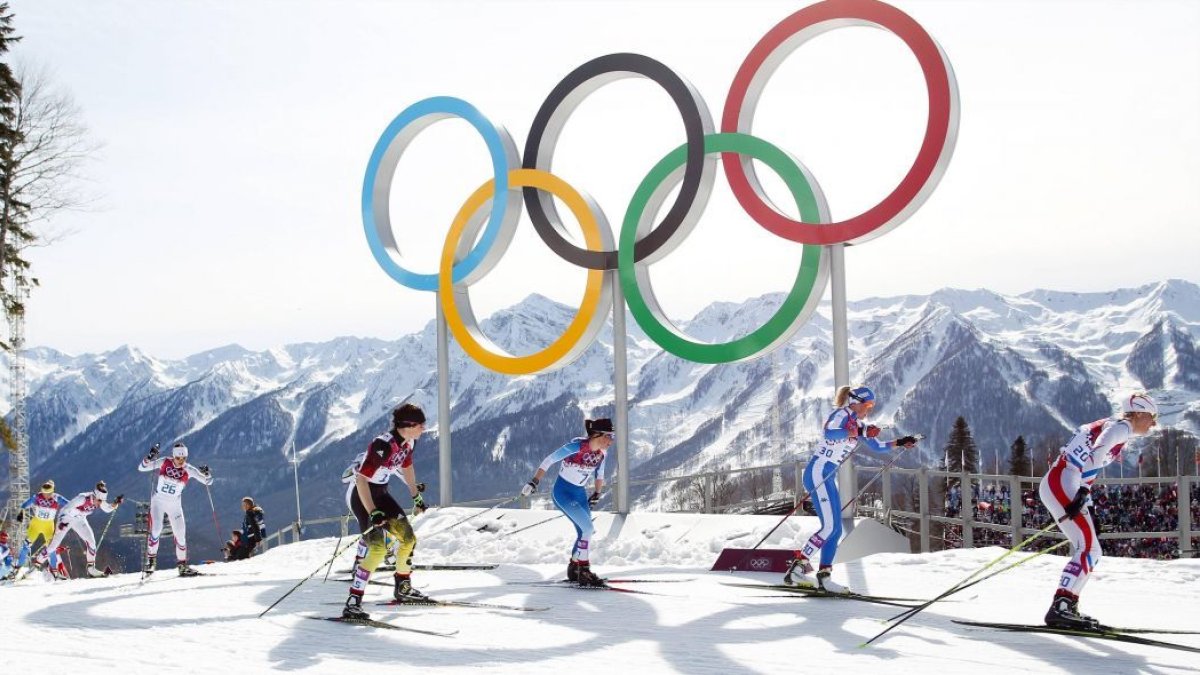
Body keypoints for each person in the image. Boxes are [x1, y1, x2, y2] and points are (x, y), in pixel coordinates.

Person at [1039, 392, 1158, 630]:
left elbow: (1088, 459)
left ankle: (1068, 604)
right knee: (1089, 548)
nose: (1153, 423)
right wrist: (1084, 491)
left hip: (1063, 481)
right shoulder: (1122, 427)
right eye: (1152, 417)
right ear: (1139, 413)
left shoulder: (1115, 425)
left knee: (1091, 549)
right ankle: (1061, 606)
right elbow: (1096, 454)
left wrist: (1089, 506)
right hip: (1064, 480)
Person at [783, 386, 919, 592]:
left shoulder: (858, 424)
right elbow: (829, 432)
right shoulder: (841, 415)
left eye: (872, 405)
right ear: (855, 402)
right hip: (818, 472)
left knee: (836, 530)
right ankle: (797, 569)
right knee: (829, 527)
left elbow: (877, 446)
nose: (870, 409)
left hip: (828, 476)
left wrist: (901, 442)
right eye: (868, 405)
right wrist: (858, 431)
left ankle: (824, 577)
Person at [341, 403, 429, 620]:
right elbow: (361, 480)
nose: (424, 428)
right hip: (362, 496)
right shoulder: (383, 445)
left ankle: (403, 587)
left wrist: (416, 496)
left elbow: (407, 467)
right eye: (421, 424)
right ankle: (353, 601)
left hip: (381, 493)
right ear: (408, 426)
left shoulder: (409, 442)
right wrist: (373, 512)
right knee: (378, 549)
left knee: (408, 539)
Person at [521, 417, 615, 587]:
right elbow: (549, 460)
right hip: (562, 493)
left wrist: (597, 493)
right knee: (588, 528)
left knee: (584, 532)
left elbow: (599, 474)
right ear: (597, 434)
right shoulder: (575, 447)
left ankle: (574, 568)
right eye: (609, 436)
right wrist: (534, 481)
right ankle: (584, 570)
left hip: (580, 494)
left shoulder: (602, 454)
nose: (611, 441)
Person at [137, 442, 214, 577]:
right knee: (156, 530)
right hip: (158, 502)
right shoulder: (164, 462)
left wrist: (207, 474)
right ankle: (151, 562)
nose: (181, 461)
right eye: (178, 458)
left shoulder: (189, 469)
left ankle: (182, 566)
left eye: (184, 458)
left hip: (174, 505)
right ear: (173, 456)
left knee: (180, 534)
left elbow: (208, 482)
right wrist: (149, 457)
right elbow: (142, 468)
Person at [44, 481, 123, 578]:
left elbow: (107, 509)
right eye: (99, 500)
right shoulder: (82, 498)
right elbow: (67, 509)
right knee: (54, 544)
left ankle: (91, 569)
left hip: (80, 520)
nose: (100, 503)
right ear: (94, 496)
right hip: (68, 518)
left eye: (102, 501)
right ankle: (38, 564)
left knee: (91, 542)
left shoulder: (99, 500)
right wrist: (62, 522)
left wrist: (115, 503)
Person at [18, 480, 68, 569]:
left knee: (51, 549)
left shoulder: (57, 498)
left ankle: (53, 568)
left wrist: (67, 517)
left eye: (49, 494)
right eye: (44, 493)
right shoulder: (37, 496)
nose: (46, 496)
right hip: (35, 525)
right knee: (26, 546)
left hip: (48, 527)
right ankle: (18, 566)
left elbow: (70, 505)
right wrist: (21, 512)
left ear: (52, 491)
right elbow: (25, 504)